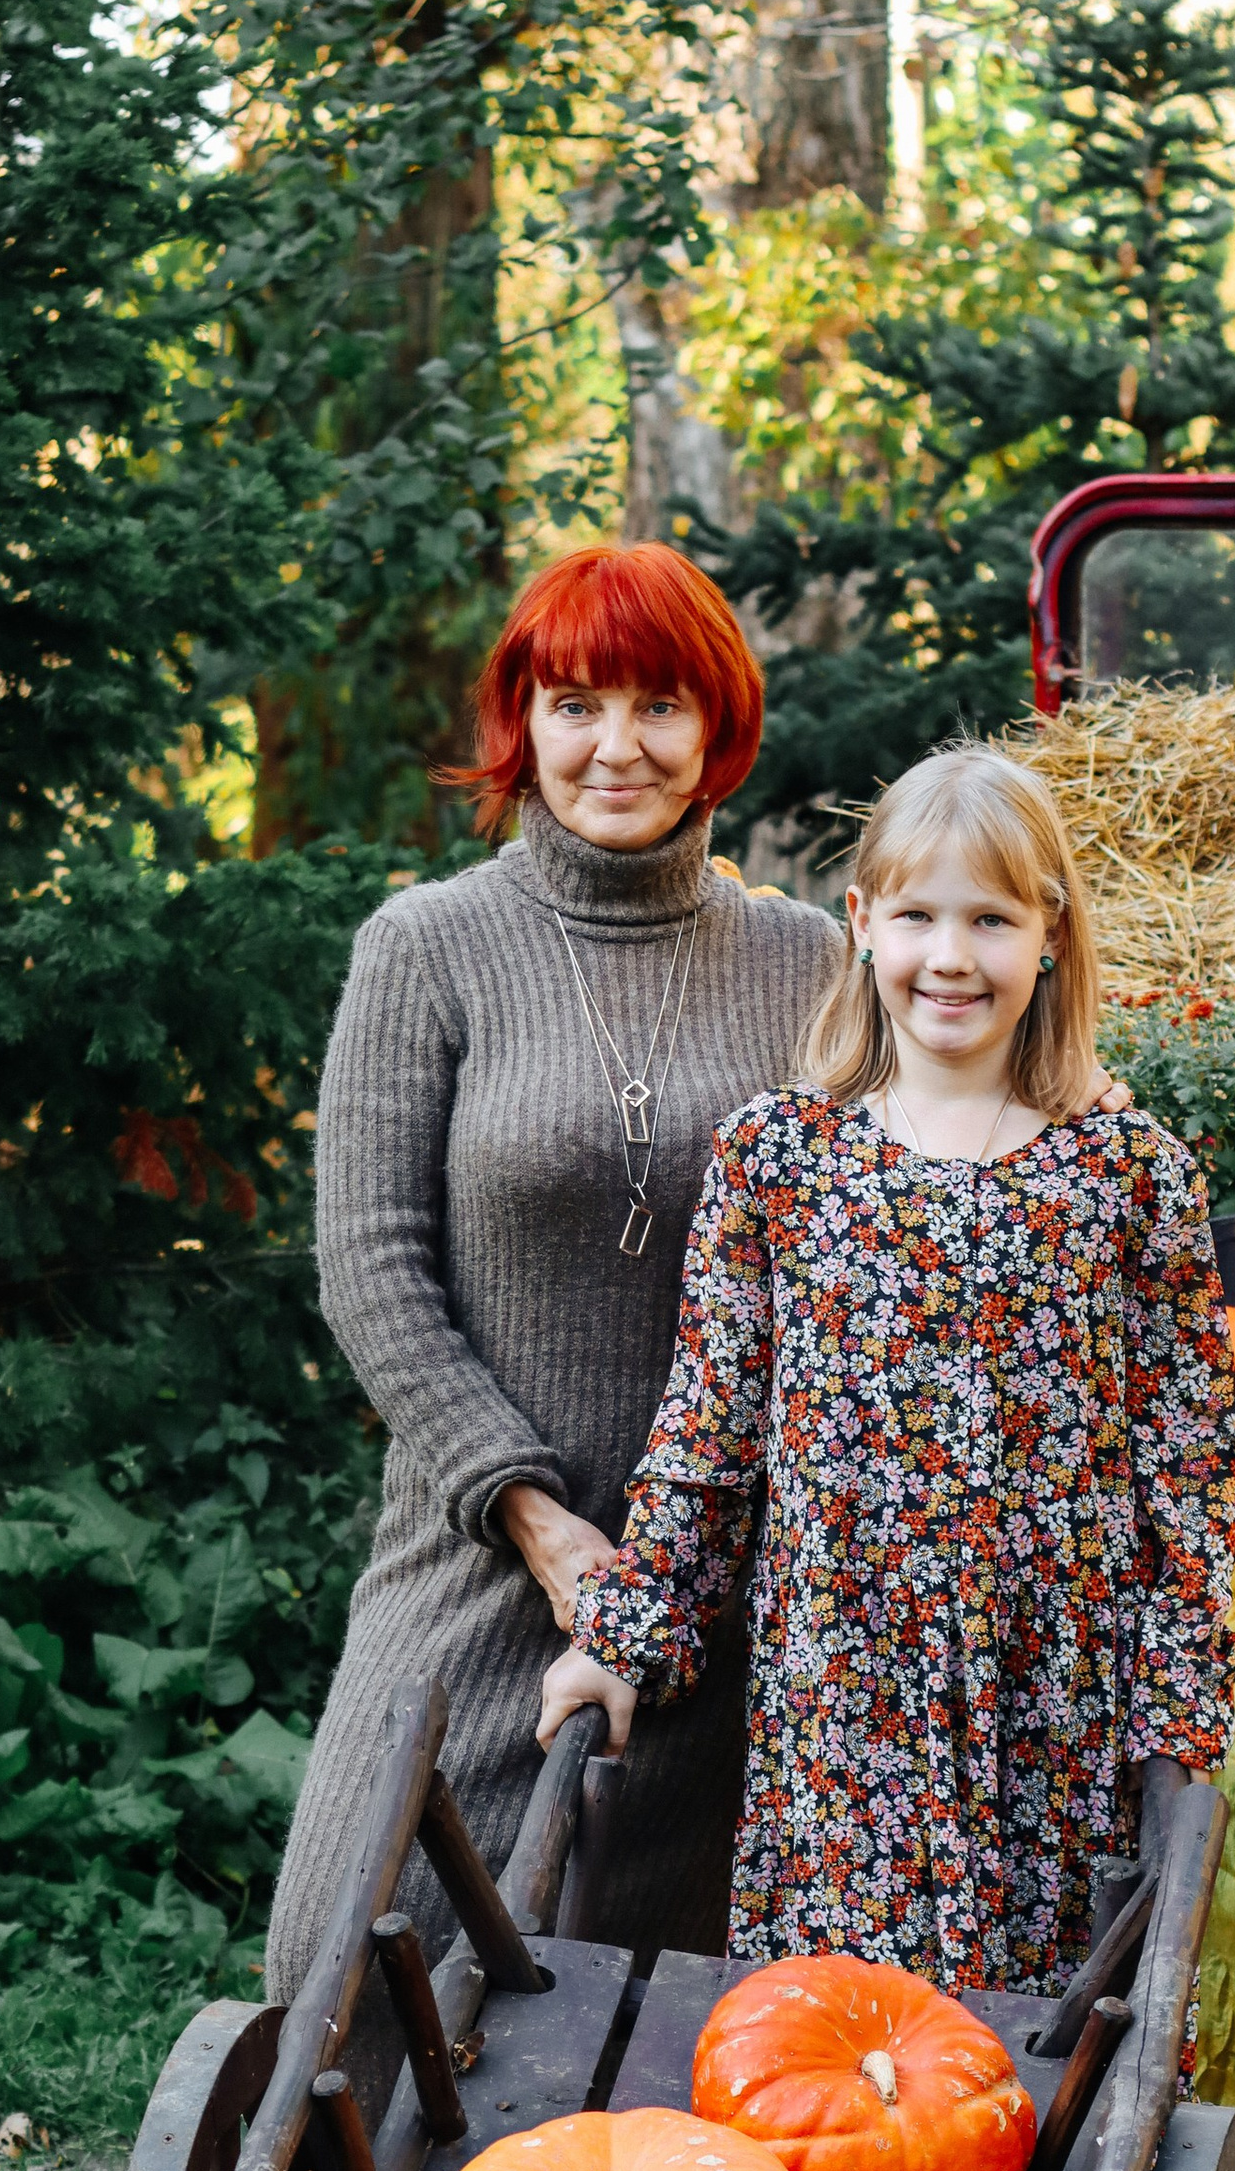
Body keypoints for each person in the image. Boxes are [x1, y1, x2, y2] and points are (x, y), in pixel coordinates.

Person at [537, 745, 1235, 1994]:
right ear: (862, 923)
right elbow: (709, 1435)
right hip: (842, 1697)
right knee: (837, 2046)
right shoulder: (779, 1159)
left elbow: (1186, 1467)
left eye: (991, 920)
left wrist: (1175, 1702)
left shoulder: (1128, 1175)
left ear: (1051, 933)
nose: (951, 957)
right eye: (918, 916)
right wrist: (628, 1633)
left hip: (1052, 1705)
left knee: (1033, 2054)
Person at [259, 543, 846, 1995]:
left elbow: (896, 1205)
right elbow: (371, 1270)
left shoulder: (810, 962)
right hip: (474, 1557)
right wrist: (532, 1517)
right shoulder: (430, 947)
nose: (616, 747)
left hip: (725, 1596)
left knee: (658, 2018)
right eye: (577, 704)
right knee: (347, 1967)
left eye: (659, 705)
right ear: (523, 721)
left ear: (718, 728)